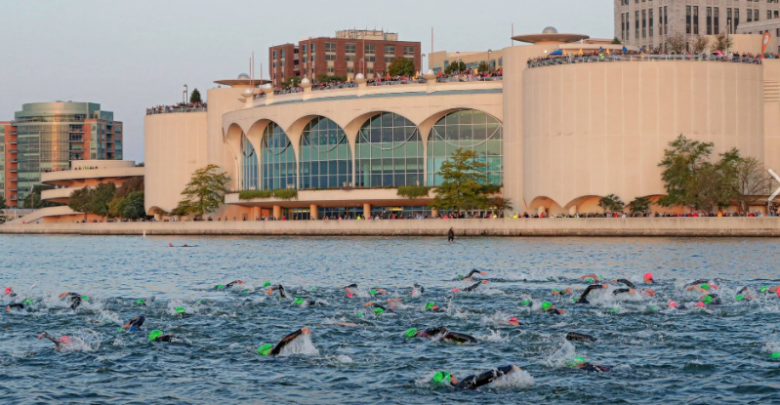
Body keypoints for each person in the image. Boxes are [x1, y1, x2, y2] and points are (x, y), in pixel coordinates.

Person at [432, 365, 522, 390]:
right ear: (450, 377)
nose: (455, 375)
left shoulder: (453, 391)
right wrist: (510, 367)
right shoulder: (466, 382)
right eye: (452, 374)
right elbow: (489, 375)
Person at [405, 326, 477, 344]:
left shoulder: (418, 337)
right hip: (438, 339)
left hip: (436, 340)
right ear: (417, 331)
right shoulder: (426, 331)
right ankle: (473, 342)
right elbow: (442, 328)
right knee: (449, 334)